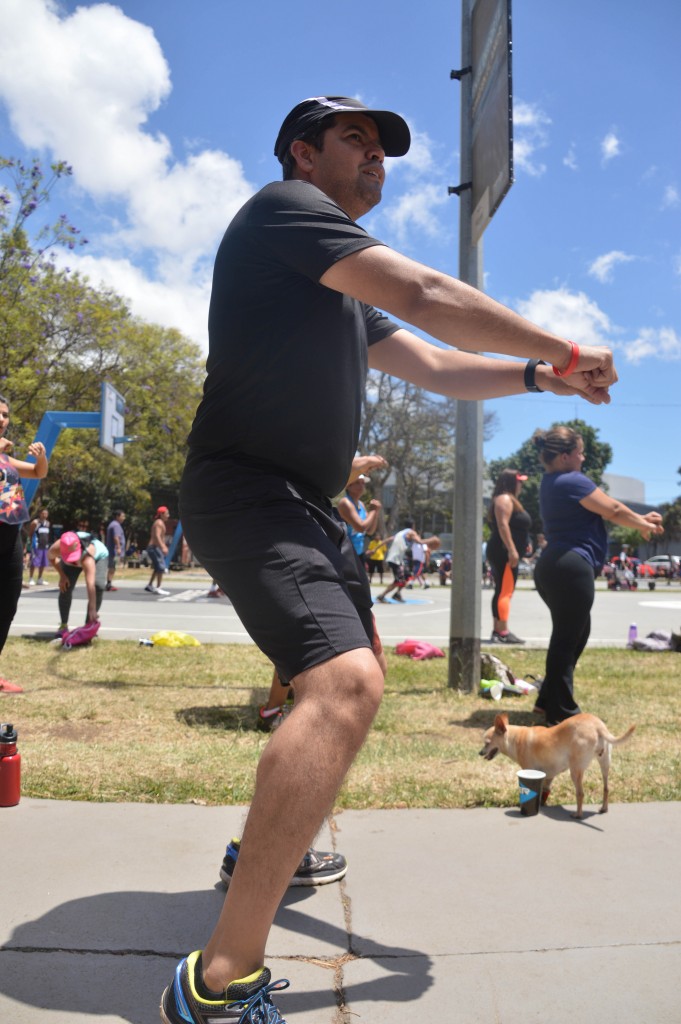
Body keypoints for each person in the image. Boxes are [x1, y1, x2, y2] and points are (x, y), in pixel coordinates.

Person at [163, 95, 618, 1024]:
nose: (376, 159)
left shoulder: (330, 285)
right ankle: (217, 984)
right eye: (355, 140)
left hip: (303, 507)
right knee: (346, 685)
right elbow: (427, 297)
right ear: (303, 153)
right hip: (246, 489)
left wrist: (539, 377)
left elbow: (441, 366)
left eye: (384, 149)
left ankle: (258, 858)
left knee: (321, 685)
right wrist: (565, 346)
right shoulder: (283, 210)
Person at [532, 426, 662, 725]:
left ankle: (546, 701)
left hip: (556, 566)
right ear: (565, 457)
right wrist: (644, 522)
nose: (583, 456)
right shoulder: (571, 480)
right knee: (566, 639)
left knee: (577, 633)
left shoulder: (552, 481)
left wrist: (640, 520)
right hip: (569, 568)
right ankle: (561, 713)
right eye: (579, 451)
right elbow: (613, 509)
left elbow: (610, 509)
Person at [0, 395, 48, 692]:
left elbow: (38, 472)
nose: (1, 419)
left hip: (11, 535)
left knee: (7, 606)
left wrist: (40, 455)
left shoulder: (5, 457)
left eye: (4, 415)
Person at [486, 468, 531, 644]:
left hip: (504, 550)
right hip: (503, 551)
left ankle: (498, 630)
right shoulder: (504, 499)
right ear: (511, 482)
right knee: (505, 591)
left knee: (503, 590)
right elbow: (503, 525)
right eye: (519, 481)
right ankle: (502, 631)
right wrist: (512, 549)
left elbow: (513, 527)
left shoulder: (510, 500)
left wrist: (524, 542)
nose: (521, 484)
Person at [48, 529, 109, 637]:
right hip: (75, 560)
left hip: (97, 556)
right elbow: (51, 558)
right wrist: (62, 576)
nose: (71, 559)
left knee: (98, 585)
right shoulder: (56, 548)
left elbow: (90, 584)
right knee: (65, 587)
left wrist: (92, 608)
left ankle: (88, 626)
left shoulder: (88, 555)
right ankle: (63, 625)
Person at [336, 474, 381, 564]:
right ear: (348, 486)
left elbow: (370, 531)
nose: (361, 486)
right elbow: (361, 528)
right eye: (357, 483)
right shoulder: (346, 503)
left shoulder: (361, 504)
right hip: (345, 554)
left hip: (358, 553)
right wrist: (373, 511)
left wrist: (376, 512)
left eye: (363, 483)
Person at [376, 521, 425, 602]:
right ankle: (381, 596)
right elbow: (420, 542)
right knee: (398, 580)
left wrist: (375, 549)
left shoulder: (400, 533)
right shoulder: (411, 532)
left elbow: (388, 540)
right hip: (395, 560)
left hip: (397, 560)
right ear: (413, 526)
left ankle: (397, 594)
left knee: (407, 576)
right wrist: (432, 540)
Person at [144, 506, 170, 595]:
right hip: (154, 547)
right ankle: (158, 587)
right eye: (167, 514)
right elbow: (157, 536)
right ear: (161, 514)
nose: (168, 516)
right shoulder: (159, 522)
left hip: (154, 547)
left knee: (157, 568)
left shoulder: (159, 522)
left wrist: (163, 546)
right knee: (161, 567)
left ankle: (150, 585)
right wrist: (163, 547)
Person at [27, 506, 52, 585]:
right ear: (40, 514)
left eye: (46, 513)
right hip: (36, 545)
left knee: (43, 562)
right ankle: (31, 578)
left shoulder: (48, 523)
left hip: (45, 546)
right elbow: (30, 533)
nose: (45, 515)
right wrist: (31, 542)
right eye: (43, 513)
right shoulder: (35, 522)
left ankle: (40, 579)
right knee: (34, 562)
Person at [105, 509, 126, 591]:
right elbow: (116, 537)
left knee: (112, 567)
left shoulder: (113, 524)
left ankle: (109, 583)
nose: (124, 518)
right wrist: (118, 548)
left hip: (112, 550)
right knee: (111, 568)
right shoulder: (116, 525)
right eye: (122, 516)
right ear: (117, 516)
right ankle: (109, 584)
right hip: (113, 551)